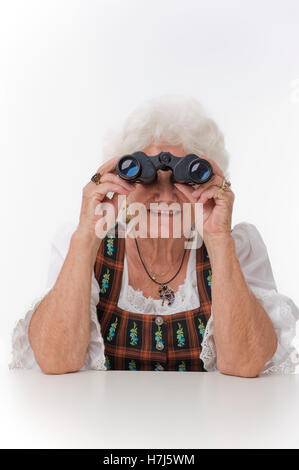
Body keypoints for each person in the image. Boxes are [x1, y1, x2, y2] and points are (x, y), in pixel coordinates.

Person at [9, 95, 299, 376]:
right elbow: (54, 360)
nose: (165, 194)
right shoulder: (86, 245)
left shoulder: (238, 247)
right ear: (122, 181)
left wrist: (219, 240)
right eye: (145, 177)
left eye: (181, 177)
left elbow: (244, 365)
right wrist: (86, 236)